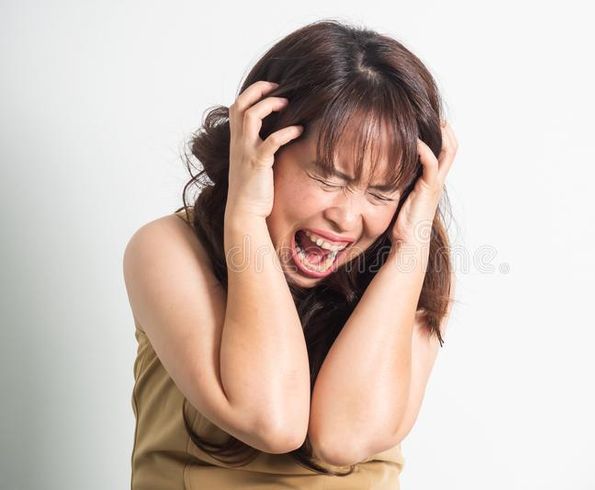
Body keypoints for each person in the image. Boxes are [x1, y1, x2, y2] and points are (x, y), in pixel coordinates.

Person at [123, 18, 458, 489]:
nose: (346, 218)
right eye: (328, 177)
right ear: (262, 145)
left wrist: (410, 248)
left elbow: (343, 437)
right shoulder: (166, 249)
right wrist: (245, 221)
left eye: (381, 193)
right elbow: (271, 419)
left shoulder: (407, 270)